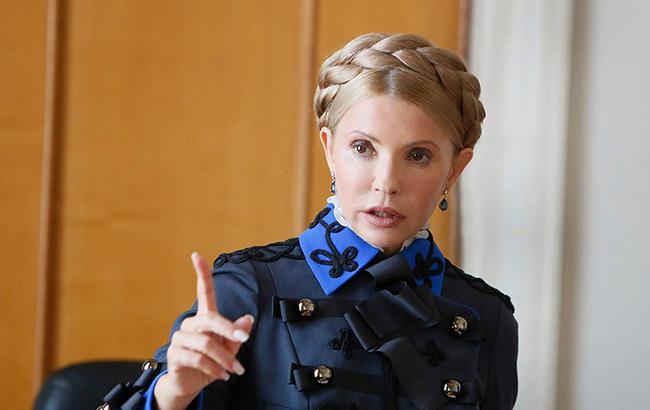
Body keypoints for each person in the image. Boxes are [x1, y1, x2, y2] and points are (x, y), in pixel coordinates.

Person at [132, 32, 518, 410]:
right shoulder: (247, 288)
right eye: (363, 148)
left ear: (454, 169)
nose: (386, 182)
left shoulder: (488, 316)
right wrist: (173, 396)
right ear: (330, 150)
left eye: (417, 155)